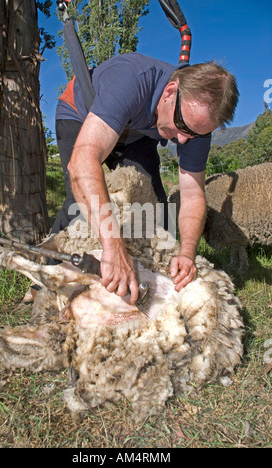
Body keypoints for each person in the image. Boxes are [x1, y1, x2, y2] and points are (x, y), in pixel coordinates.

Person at [52, 52, 239, 303]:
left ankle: (146, 275)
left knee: (155, 208)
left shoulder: (193, 127)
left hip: (136, 133)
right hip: (82, 112)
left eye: (195, 134)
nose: (182, 140)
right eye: (182, 125)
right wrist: (113, 247)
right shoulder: (131, 80)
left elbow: (193, 194)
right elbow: (82, 164)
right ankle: (47, 276)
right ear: (170, 91)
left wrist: (187, 252)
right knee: (78, 207)